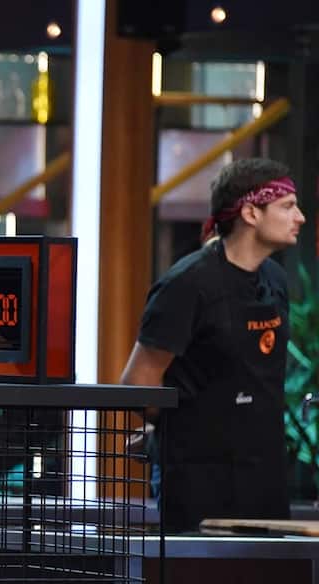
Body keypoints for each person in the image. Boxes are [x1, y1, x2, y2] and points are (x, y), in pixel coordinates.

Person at [120, 158, 305, 532]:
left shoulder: (275, 279)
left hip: (265, 473)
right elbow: (138, 383)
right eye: (287, 206)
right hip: (199, 480)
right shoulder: (187, 284)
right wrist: (184, 428)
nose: (299, 217)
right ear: (251, 213)